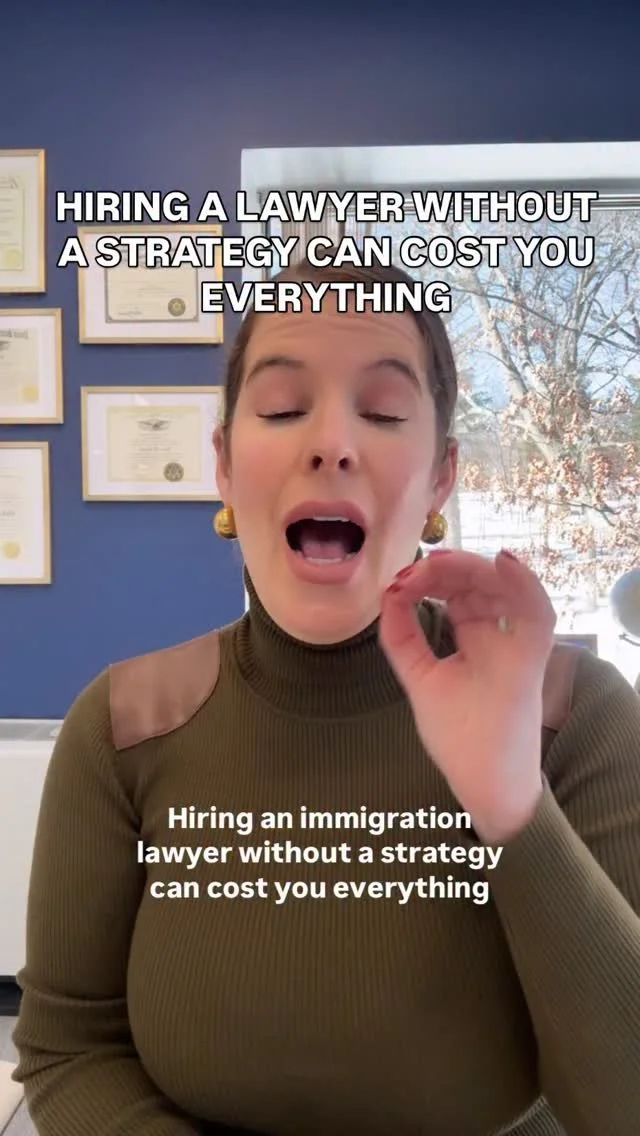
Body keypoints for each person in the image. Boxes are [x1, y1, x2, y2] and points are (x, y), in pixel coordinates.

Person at [12, 255, 640, 1136]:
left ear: (441, 479)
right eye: (280, 408)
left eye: (382, 412)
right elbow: (69, 1049)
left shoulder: (578, 718)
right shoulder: (121, 729)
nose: (332, 442)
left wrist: (512, 804)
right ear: (225, 466)